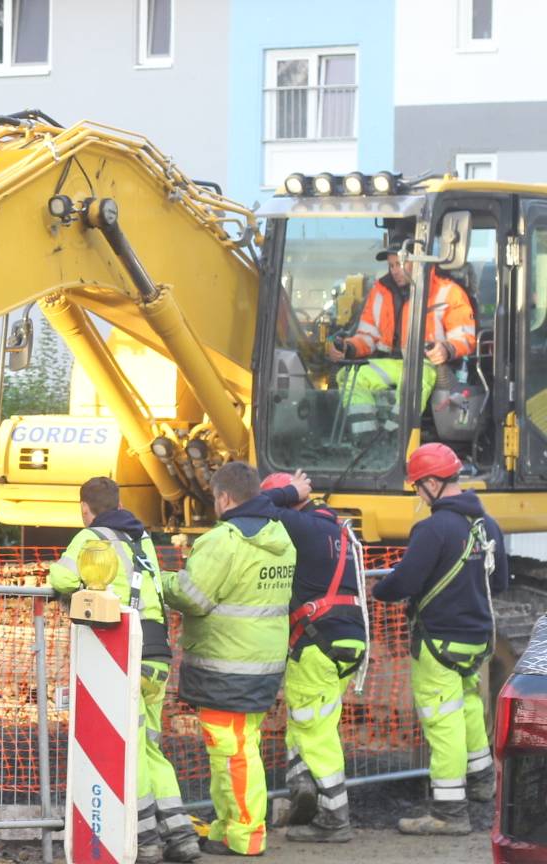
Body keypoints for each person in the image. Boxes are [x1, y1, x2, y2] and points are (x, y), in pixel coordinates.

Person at [46, 477, 199, 864]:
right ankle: (182, 836)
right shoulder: (142, 537)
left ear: (85, 507)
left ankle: (144, 837)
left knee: (130, 748)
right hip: (158, 651)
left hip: (124, 654)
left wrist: (83, 585)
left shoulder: (92, 537)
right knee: (149, 745)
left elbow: (60, 578)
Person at [371, 443, 510, 835]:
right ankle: (483, 780)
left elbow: (406, 581)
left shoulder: (432, 529)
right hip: (478, 639)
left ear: (433, 482)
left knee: (441, 721)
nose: (417, 493)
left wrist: (380, 590)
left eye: (417, 486)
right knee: (468, 705)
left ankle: (449, 813)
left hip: (439, 643)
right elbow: (499, 581)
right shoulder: (487, 524)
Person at [163, 462, 295, 857]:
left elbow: (192, 596)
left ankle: (245, 835)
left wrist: (159, 581)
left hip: (227, 665)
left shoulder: (224, 540)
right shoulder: (280, 535)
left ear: (223, 497)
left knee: (233, 752)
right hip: (261, 664)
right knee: (236, 747)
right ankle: (227, 827)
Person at [258, 471, 367, 843]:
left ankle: (335, 818)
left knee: (314, 728)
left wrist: (290, 491)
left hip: (316, 641)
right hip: (349, 639)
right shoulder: (339, 532)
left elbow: (253, 507)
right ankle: (302, 783)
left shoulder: (299, 526)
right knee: (314, 718)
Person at [327, 226, 476, 425]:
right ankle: (364, 436)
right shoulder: (380, 291)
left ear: (418, 261)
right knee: (350, 376)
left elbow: (465, 337)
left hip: (427, 365)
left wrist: (446, 348)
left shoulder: (448, 291)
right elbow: (368, 337)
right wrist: (348, 347)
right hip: (392, 363)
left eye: (399, 264)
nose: (394, 271)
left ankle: (396, 438)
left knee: (412, 380)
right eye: (391, 266)